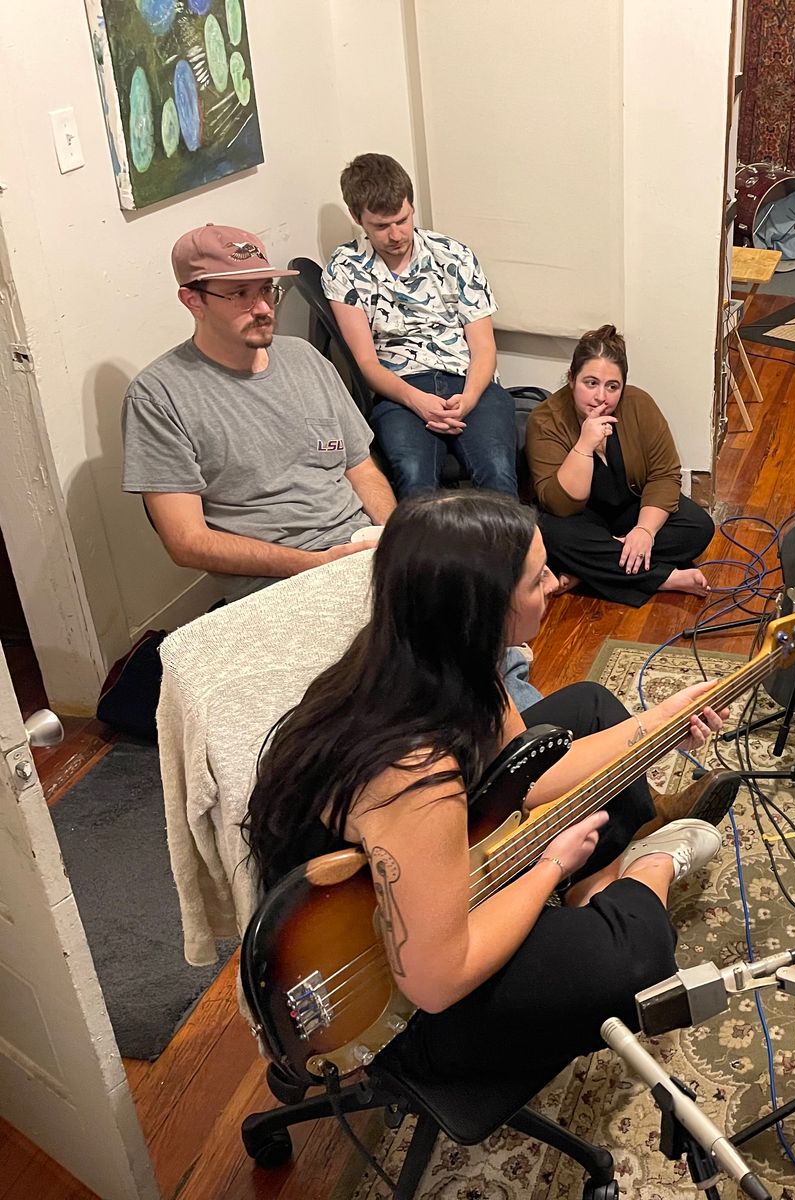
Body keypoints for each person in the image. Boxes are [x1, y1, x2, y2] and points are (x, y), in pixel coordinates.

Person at [243, 490, 730, 1096]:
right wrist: (552, 866)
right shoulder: (415, 777)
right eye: (536, 579)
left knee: (592, 708)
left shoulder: (441, 653)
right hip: (381, 994)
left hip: (417, 894)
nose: (553, 584)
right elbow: (436, 981)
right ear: (485, 607)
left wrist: (658, 721)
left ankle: (600, 879)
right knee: (639, 957)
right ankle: (647, 862)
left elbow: (529, 775)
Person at [123, 224, 396, 601]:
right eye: (240, 294)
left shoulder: (304, 358)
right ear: (193, 301)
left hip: (361, 551)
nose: (265, 308)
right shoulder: (158, 397)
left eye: (267, 289)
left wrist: (395, 536)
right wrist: (317, 563)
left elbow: (361, 467)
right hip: (279, 580)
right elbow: (187, 542)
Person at [325, 153, 519, 499]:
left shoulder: (453, 254)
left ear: (412, 206)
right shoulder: (344, 269)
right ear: (357, 219)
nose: (395, 234)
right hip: (401, 387)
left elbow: (484, 348)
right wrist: (417, 401)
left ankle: (513, 538)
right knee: (414, 477)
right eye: (381, 226)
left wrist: (469, 399)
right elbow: (366, 363)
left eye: (402, 220)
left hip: (467, 378)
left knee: (498, 470)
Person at [527, 326, 715, 605]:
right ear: (571, 379)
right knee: (551, 535)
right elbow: (559, 504)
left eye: (612, 387)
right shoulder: (545, 420)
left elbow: (664, 475)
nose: (601, 396)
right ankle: (663, 578)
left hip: (630, 510)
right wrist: (584, 446)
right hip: (579, 521)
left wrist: (644, 531)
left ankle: (586, 572)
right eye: (590, 383)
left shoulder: (639, 404)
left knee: (698, 526)